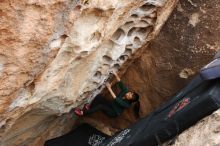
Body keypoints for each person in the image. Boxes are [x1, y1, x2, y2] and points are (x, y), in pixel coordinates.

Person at [74, 71, 140, 118]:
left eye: (129, 96)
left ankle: (83, 113)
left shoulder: (127, 105)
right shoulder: (126, 91)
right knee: (99, 97)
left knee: (101, 106)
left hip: (113, 112)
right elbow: (120, 83)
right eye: (130, 93)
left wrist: (109, 88)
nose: (128, 94)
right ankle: (90, 108)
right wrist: (115, 74)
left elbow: (116, 99)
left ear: (130, 100)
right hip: (111, 104)